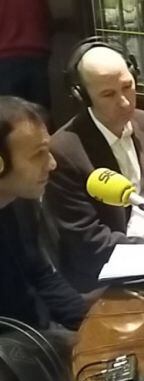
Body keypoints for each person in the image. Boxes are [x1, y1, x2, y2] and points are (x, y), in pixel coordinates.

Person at [44, 40, 144, 293]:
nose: (124, 102)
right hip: (113, 275)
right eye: (108, 94)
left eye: (127, 87)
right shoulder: (64, 151)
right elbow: (87, 240)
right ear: (83, 97)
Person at [0, 96, 86, 330]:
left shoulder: (21, 200)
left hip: (37, 333)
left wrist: (93, 325)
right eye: (38, 154)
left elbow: (42, 276)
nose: (51, 164)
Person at [0, 0, 51, 108]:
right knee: (40, 115)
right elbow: (46, 19)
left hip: (4, 58)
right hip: (36, 55)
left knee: (8, 116)